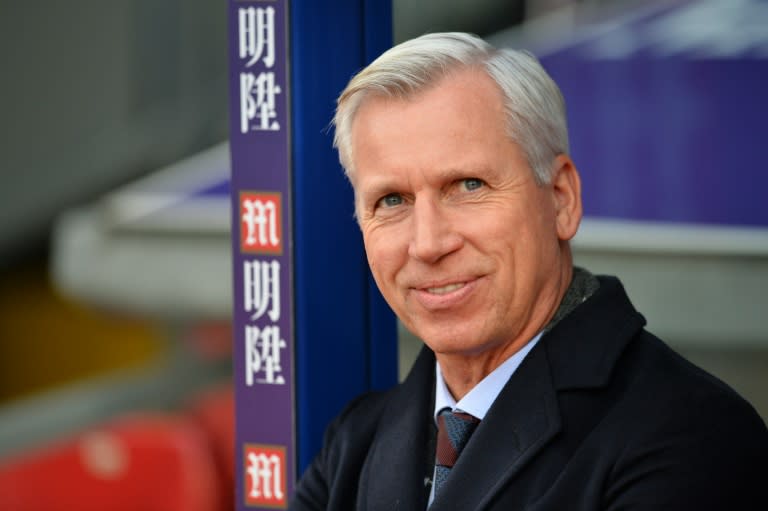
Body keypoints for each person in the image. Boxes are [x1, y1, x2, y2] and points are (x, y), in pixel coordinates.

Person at [289, 32, 768, 511]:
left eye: (468, 185)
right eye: (392, 200)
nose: (429, 243)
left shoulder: (691, 437)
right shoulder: (354, 444)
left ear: (561, 198)